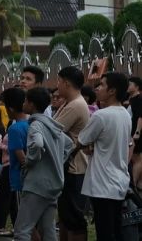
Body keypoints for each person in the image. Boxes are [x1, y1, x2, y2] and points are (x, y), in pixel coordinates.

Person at [78, 72, 131, 241]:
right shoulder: (125, 113)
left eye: (101, 85)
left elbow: (82, 140)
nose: (97, 89)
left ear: (112, 91)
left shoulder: (101, 115)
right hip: (119, 181)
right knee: (116, 230)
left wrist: (89, 146)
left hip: (102, 183)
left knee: (105, 232)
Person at [14, 87, 72, 241]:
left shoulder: (35, 125)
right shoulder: (52, 125)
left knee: (22, 230)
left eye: (26, 100)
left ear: (32, 105)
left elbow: (38, 144)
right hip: (54, 184)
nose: (23, 103)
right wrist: (58, 160)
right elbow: (69, 144)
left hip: (37, 185)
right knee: (49, 230)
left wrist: (30, 161)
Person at [53, 66, 90, 241]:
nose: (57, 84)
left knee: (74, 218)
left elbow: (52, 130)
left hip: (74, 168)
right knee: (65, 217)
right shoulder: (70, 103)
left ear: (66, 83)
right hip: (69, 166)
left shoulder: (75, 105)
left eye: (59, 81)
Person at [0, 88, 28, 237]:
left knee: (21, 218)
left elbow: (21, 157)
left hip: (19, 177)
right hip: (30, 179)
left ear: (10, 108)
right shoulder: (31, 123)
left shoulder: (15, 129)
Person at [127, 76, 142, 190]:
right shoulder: (131, 99)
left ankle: (134, 185)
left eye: (130, 84)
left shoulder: (138, 99)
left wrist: (137, 132)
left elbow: (140, 117)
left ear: (137, 87)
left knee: (136, 158)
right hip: (131, 132)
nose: (128, 85)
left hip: (136, 133)